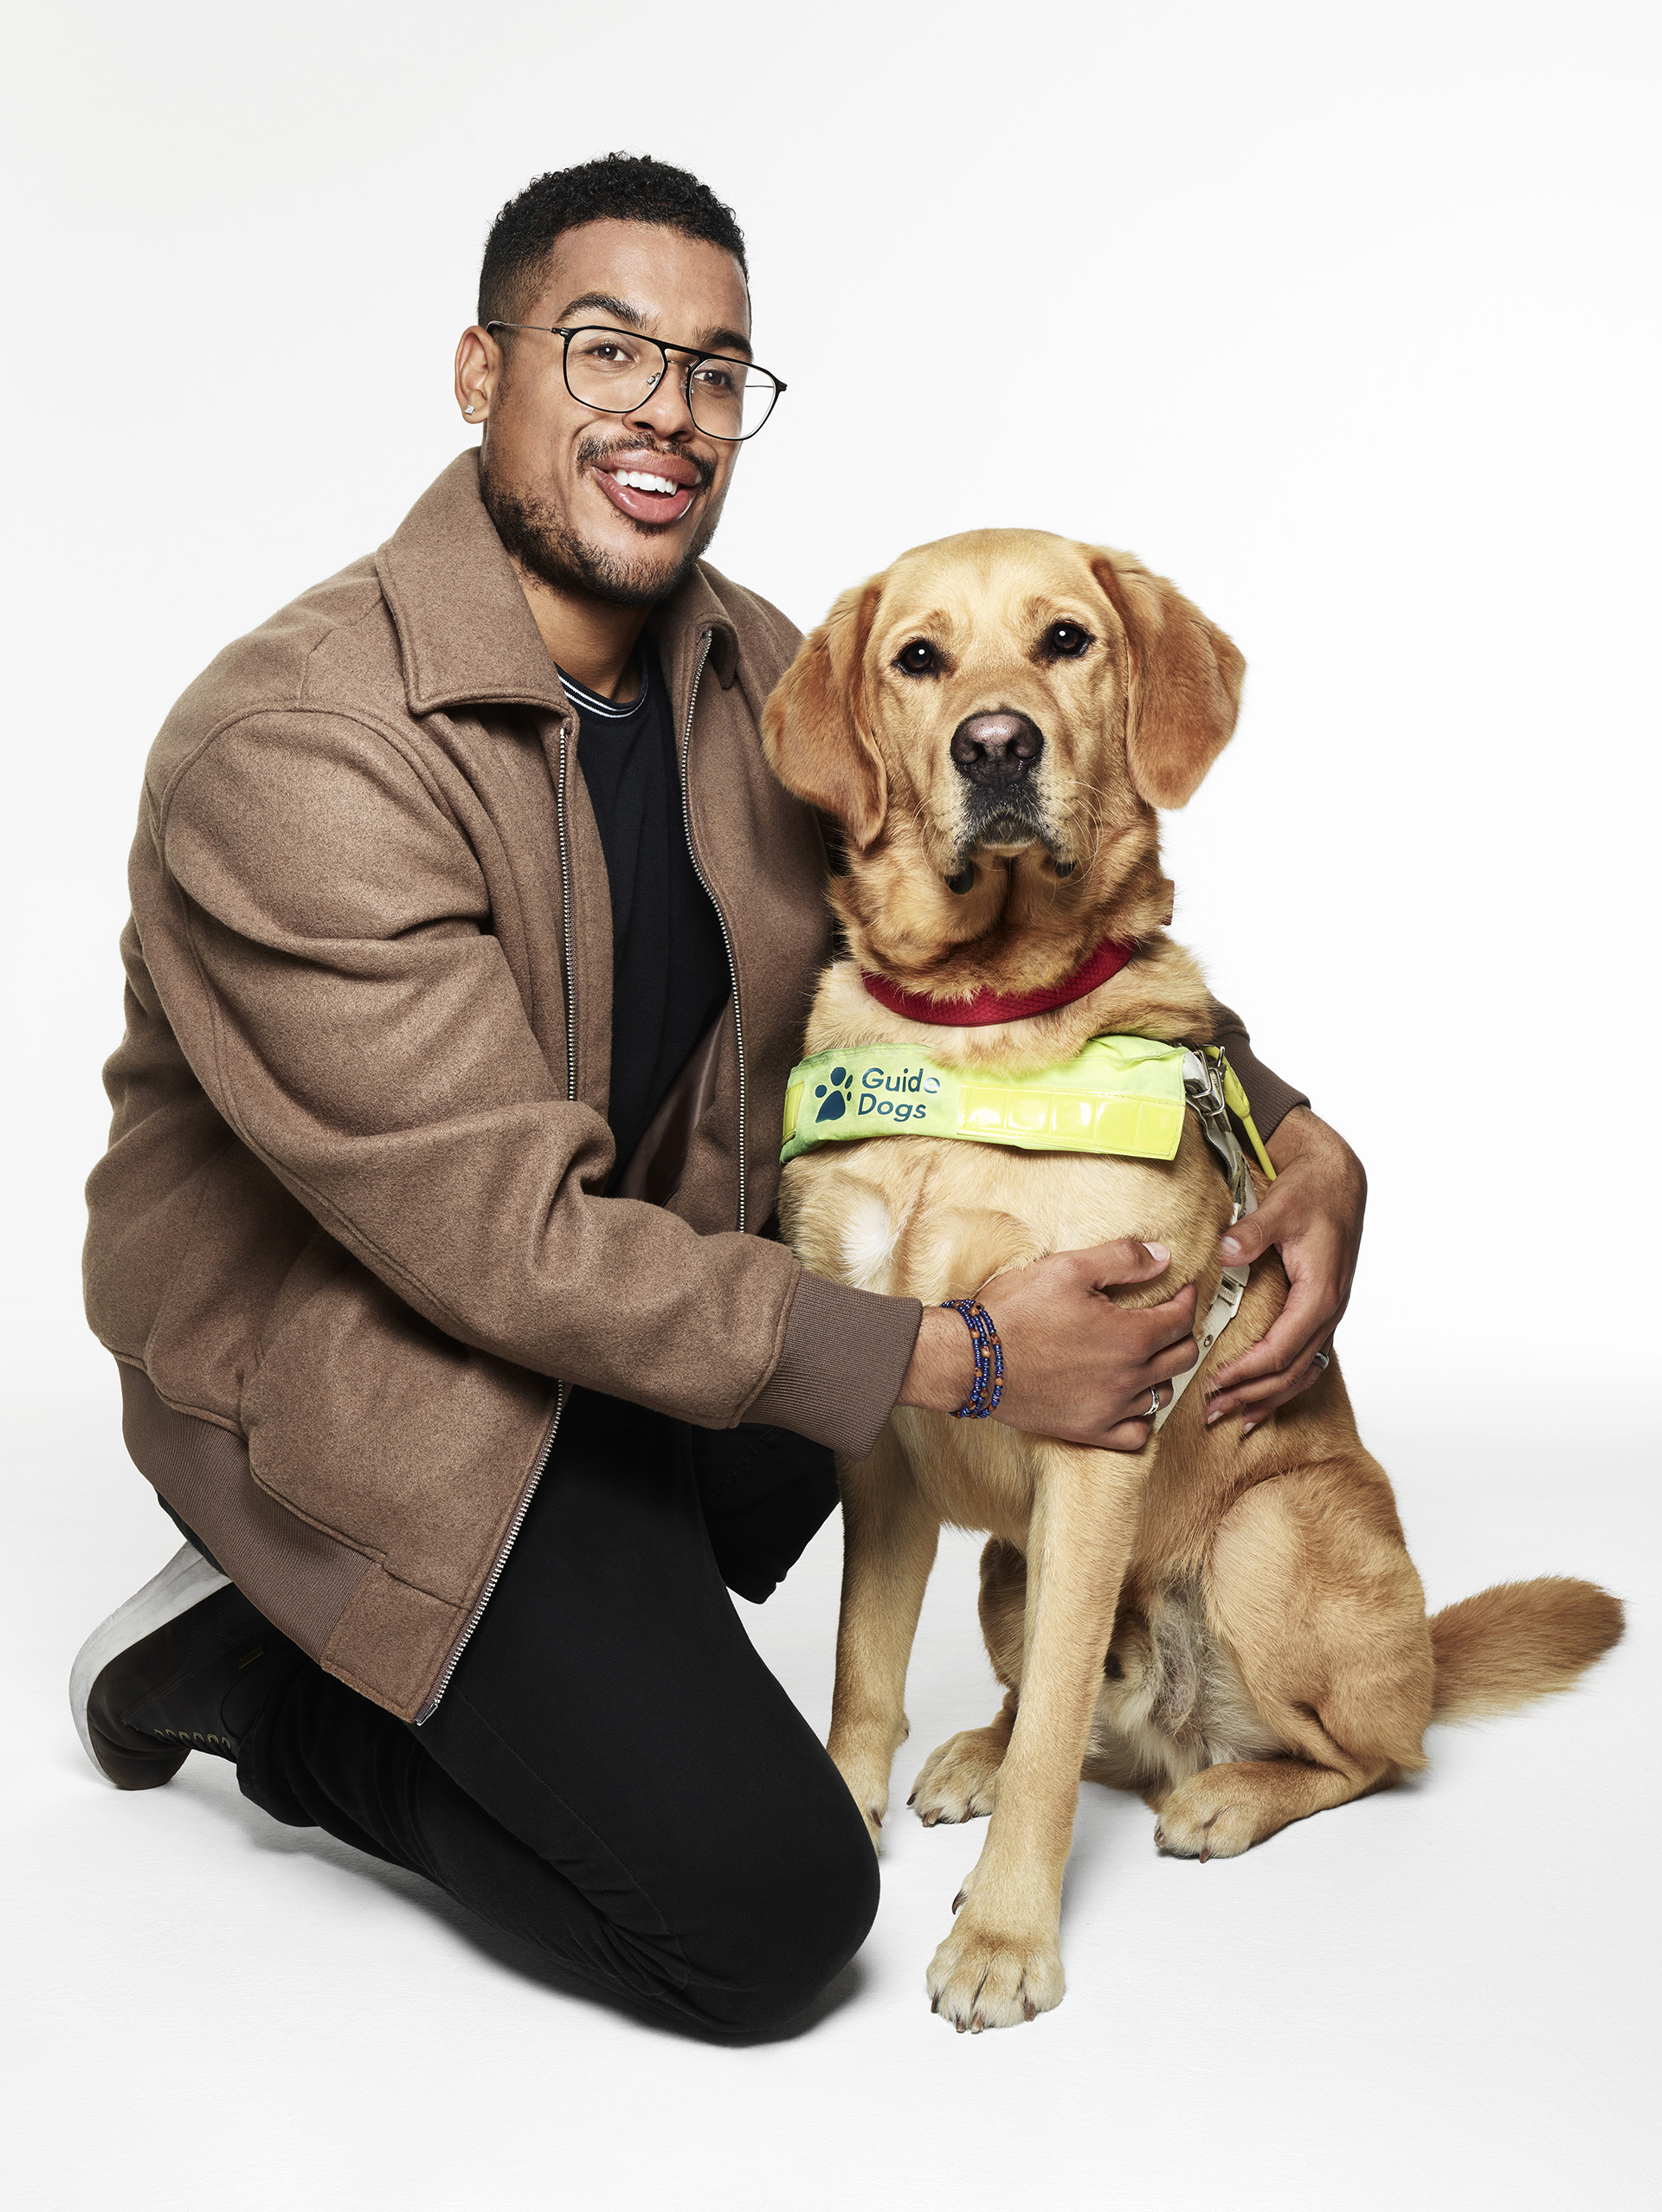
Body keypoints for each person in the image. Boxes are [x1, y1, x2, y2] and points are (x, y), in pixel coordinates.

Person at [70, 154, 1366, 2037]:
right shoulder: (299, 750)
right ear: (478, 370)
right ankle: (255, 1677)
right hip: (378, 1380)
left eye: (713, 369)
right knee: (763, 1916)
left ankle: (556, 1622)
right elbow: (506, 1247)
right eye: (606, 351)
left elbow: (997, 967)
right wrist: (966, 1365)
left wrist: (1291, 1129)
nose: (665, 412)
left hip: (637, 1337)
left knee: (867, 1288)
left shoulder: (769, 675)